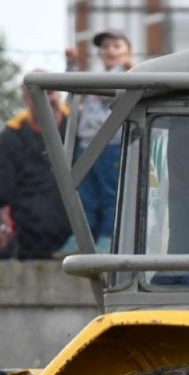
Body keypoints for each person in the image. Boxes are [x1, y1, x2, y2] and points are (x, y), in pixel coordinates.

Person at [0, 79, 74, 259]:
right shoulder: (12, 136)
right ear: (26, 100)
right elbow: (2, 190)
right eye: (38, 95)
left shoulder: (77, 127)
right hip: (27, 236)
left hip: (75, 231)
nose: (47, 100)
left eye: (50, 93)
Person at [67, 30, 135, 248]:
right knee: (84, 194)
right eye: (105, 47)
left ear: (128, 51)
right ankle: (82, 237)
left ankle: (108, 237)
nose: (110, 51)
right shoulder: (94, 77)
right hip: (87, 143)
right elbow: (72, 96)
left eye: (116, 46)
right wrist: (71, 65)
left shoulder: (130, 74)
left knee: (110, 194)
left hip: (112, 143)